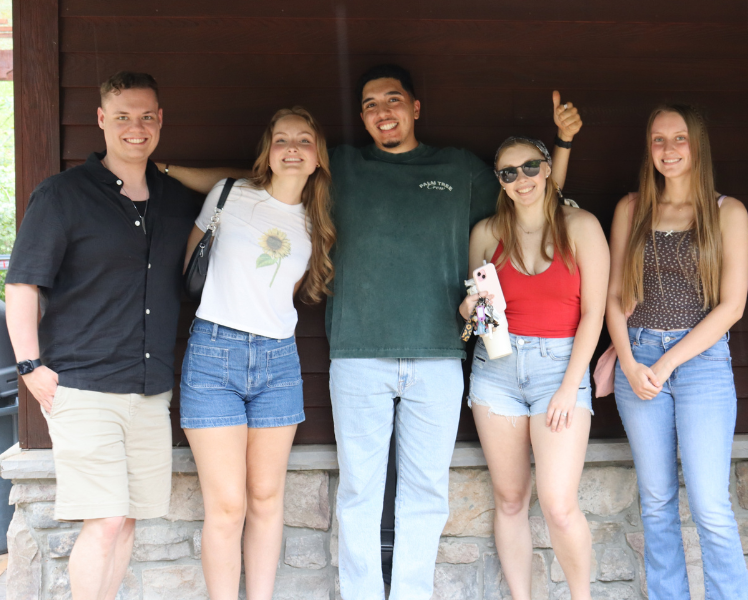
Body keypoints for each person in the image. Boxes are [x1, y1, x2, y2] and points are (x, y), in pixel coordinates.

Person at [160, 64, 582, 600]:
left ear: (415, 107)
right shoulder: (343, 167)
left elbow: (534, 200)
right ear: (361, 118)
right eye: (370, 104)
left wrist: (563, 143)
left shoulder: (458, 169)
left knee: (426, 491)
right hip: (358, 353)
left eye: (393, 99)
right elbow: (253, 180)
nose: (383, 112)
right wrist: (168, 168)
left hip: (438, 354)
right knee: (360, 489)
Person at [4, 72, 200, 600]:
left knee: (130, 519)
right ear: (101, 120)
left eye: (146, 116)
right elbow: (21, 284)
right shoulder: (63, 195)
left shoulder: (176, 199)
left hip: (148, 388)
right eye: (122, 116)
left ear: (160, 120)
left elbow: (246, 181)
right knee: (107, 519)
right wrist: (29, 367)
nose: (135, 127)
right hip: (83, 386)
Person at [179, 107, 335, 600]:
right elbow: (191, 266)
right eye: (281, 139)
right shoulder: (231, 196)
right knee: (227, 505)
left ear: (317, 158)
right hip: (213, 355)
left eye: (303, 140)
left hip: (278, 362)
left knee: (267, 499)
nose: (292, 148)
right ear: (268, 151)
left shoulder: (318, 222)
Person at [604, 104, 748, 599]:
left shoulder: (727, 211)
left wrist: (668, 362)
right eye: (659, 140)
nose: (668, 149)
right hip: (638, 357)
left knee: (710, 504)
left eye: (679, 138)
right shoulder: (631, 208)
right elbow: (615, 297)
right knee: (658, 502)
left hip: (701, 364)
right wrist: (628, 362)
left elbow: (731, 306)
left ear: (698, 145)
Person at [461, 134, 608, 600]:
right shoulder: (486, 233)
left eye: (529, 168)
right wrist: (471, 310)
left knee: (559, 505)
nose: (520, 179)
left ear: (547, 169)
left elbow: (594, 313)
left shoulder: (581, 226)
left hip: (559, 367)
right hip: (496, 368)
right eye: (508, 172)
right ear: (500, 182)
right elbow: (480, 312)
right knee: (509, 500)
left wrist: (570, 387)